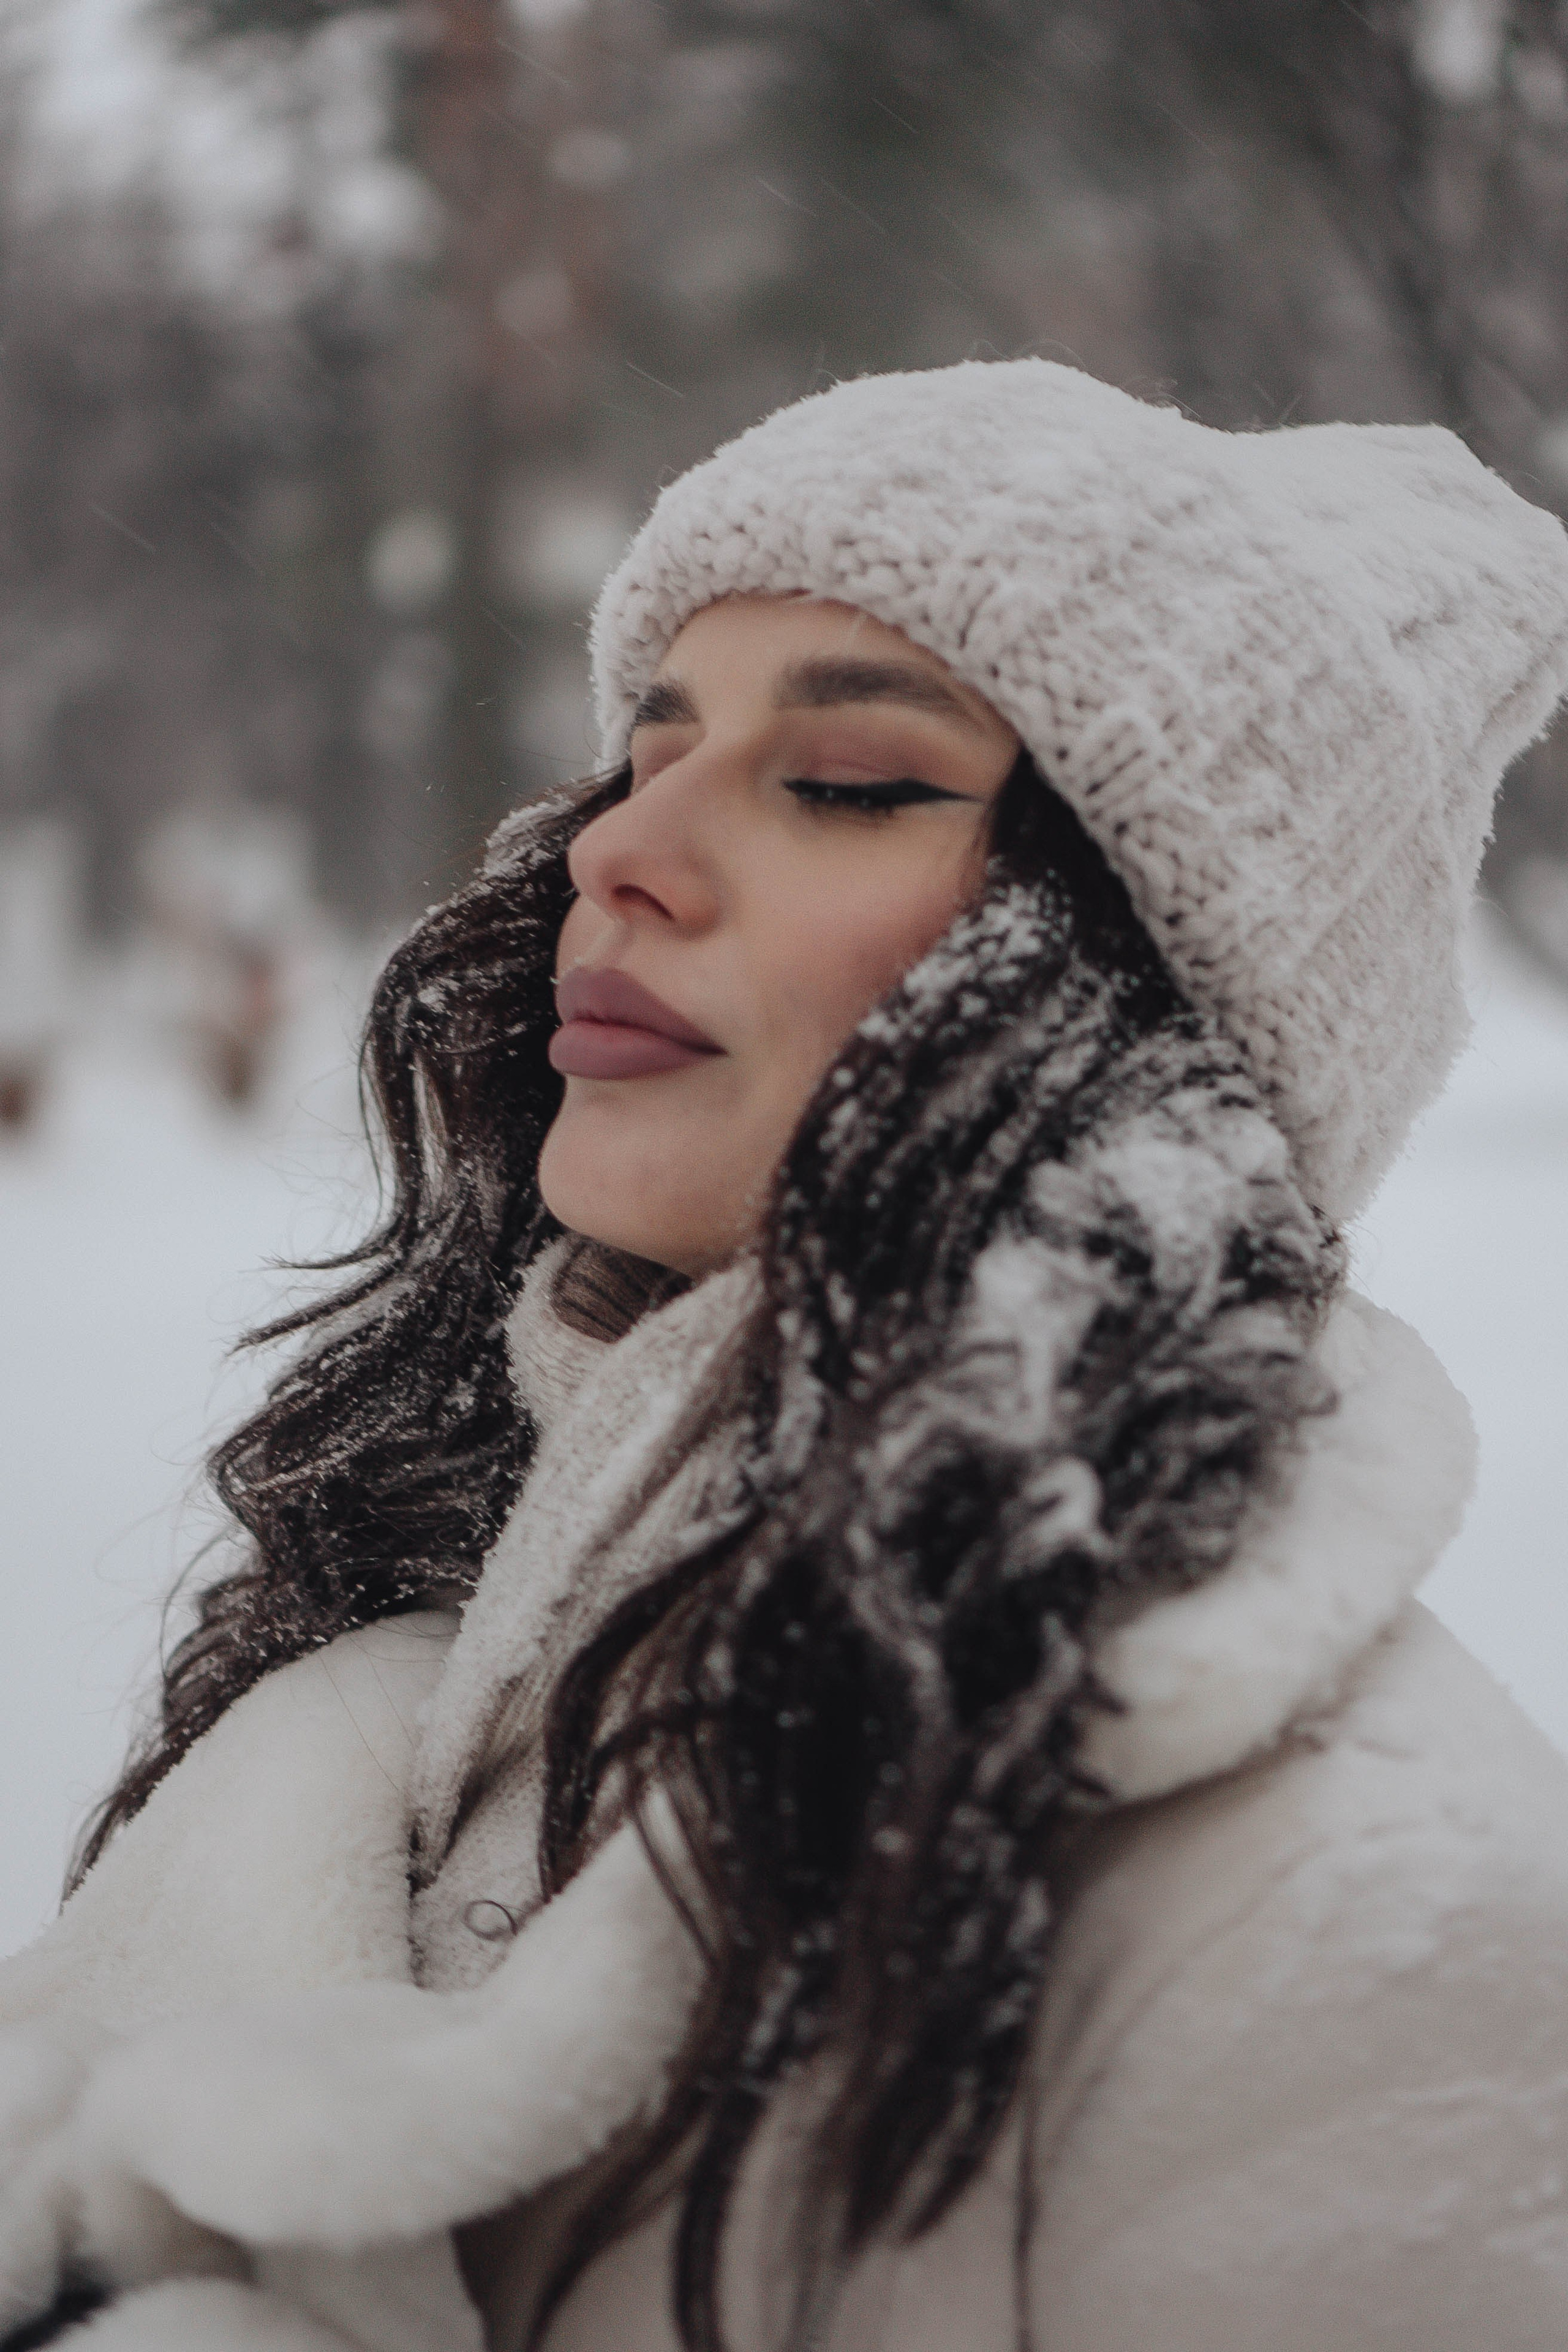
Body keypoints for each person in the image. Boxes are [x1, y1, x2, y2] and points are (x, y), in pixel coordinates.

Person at [4, 360, 1568, 2352]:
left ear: (1141, 985)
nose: (618, 853)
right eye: (647, 755)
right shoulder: (426, 1673)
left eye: (846, 782)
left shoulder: (1356, 1922)